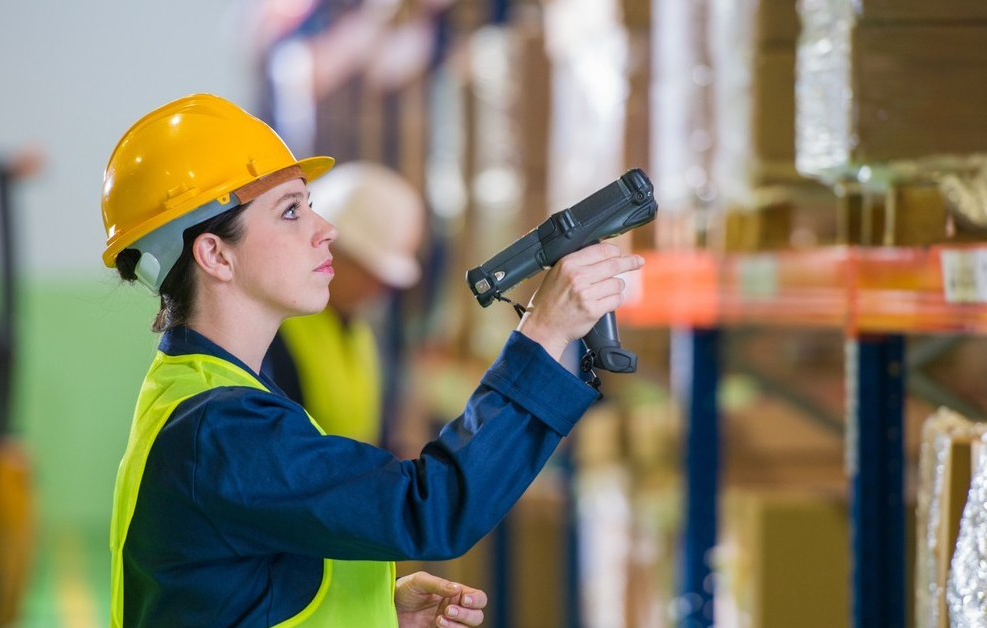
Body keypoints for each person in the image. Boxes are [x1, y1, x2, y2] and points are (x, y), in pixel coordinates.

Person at [100, 93, 642, 628]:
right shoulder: (221, 429)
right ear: (215, 255)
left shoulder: (205, 396)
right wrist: (545, 334)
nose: (326, 230)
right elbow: (430, 507)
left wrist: (373, 610)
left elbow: (238, 593)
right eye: (291, 211)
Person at [262, 161, 425, 446]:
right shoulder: (272, 333)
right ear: (328, 246)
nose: (377, 288)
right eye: (366, 271)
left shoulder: (359, 330)